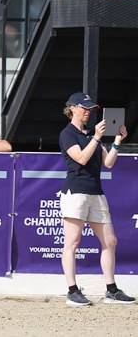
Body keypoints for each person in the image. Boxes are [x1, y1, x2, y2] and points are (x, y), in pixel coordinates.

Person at [59, 92, 135, 306]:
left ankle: (111, 290)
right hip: (76, 192)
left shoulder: (91, 134)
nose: (88, 112)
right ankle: (72, 291)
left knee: (110, 241)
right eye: (84, 108)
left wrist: (117, 141)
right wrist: (96, 137)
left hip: (95, 191)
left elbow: (108, 163)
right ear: (72, 107)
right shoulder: (67, 134)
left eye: (90, 109)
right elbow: (81, 158)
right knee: (72, 243)